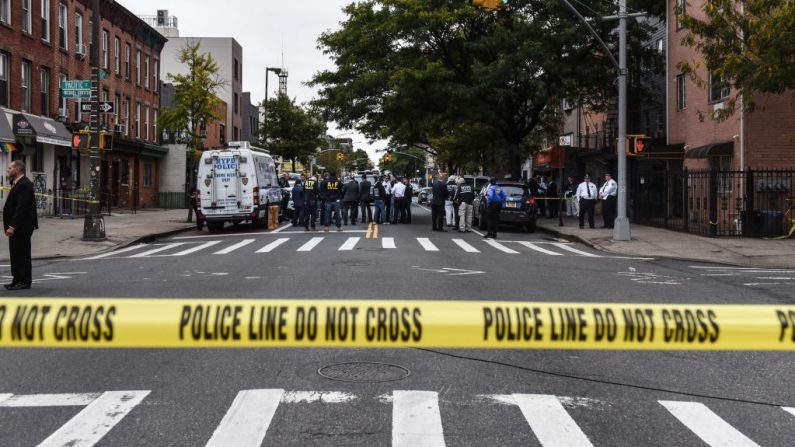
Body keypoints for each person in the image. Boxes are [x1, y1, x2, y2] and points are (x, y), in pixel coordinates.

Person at [3, 160, 38, 290]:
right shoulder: (17, 183)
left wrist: (13, 226)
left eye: (10, 167)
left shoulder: (24, 184)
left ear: (18, 169)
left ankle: (24, 281)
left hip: (22, 227)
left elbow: (21, 208)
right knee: (15, 254)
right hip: (18, 227)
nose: (8, 169)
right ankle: (16, 279)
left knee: (22, 254)